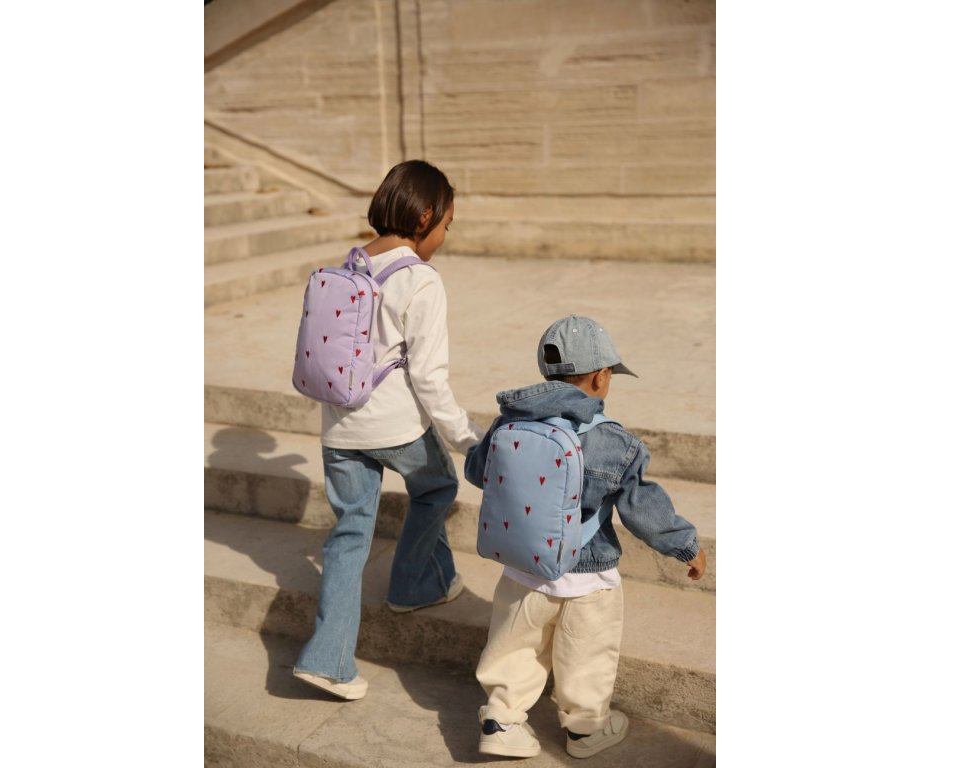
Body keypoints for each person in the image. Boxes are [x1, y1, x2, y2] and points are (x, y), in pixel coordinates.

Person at [464, 315, 707, 759]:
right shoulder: (614, 441)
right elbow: (643, 509)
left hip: (522, 566)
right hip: (588, 575)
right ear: (600, 376)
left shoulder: (507, 423)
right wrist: (685, 545)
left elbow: (477, 471)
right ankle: (585, 731)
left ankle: (500, 722)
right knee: (586, 657)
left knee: (513, 648)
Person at [293, 160, 483, 701]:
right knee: (437, 487)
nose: (445, 235)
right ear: (425, 217)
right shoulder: (420, 280)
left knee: (350, 534)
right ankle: (412, 584)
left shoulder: (349, 265)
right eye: (446, 224)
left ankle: (328, 660)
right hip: (397, 426)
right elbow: (429, 377)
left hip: (339, 427)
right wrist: (467, 438)